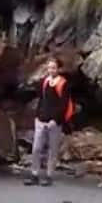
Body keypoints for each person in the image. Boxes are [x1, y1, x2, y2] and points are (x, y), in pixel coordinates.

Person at [26, 56, 74, 186]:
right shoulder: (45, 81)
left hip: (54, 122)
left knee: (52, 149)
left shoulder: (63, 84)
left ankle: (49, 175)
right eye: (49, 68)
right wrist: (37, 115)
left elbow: (63, 104)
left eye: (53, 68)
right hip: (41, 119)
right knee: (36, 148)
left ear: (58, 69)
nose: (51, 70)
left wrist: (56, 120)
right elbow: (41, 100)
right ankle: (34, 173)